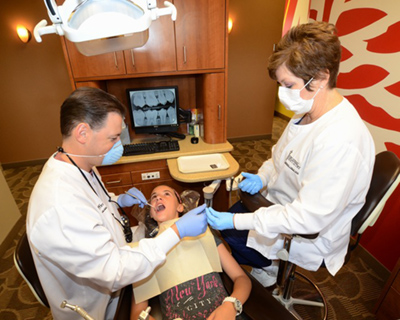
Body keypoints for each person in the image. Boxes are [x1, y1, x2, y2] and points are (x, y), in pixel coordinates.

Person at [206, 21, 375, 287]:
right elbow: (279, 157)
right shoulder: (305, 112)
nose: (282, 94)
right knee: (226, 229)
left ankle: (271, 270)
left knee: (225, 237)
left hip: (306, 231)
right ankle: (267, 265)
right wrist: (263, 177)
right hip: (276, 203)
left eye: (288, 84)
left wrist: (238, 220)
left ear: (321, 77)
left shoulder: (341, 140)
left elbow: (307, 218)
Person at [26, 87, 208, 320]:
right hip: (96, 307)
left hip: (116, 284)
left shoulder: (79, 166)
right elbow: (114, 270)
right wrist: (176, 231)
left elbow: (93, 205)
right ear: (82, 133)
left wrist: (117, 200)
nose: (117, 146)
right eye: (112, 138)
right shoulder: (59, 206)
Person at [130, 185, 252, 320]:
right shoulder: (144, 251)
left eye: (166, 194)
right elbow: (137, 314)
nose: (159, 197)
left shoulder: (205, 234)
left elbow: (241, 278)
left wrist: (231, 305)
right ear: (151, 214)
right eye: (154, 197)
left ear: (180, 207)